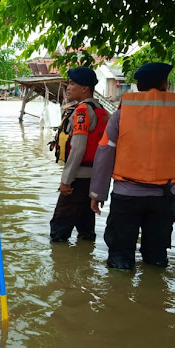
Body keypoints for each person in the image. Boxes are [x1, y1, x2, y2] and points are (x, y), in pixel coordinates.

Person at [89, 62, 175, 270]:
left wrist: (97, 193)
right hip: (164, 198)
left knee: (120, 258)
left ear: (138, 87)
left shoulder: (120, 117)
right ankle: (156, 297)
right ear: (165, 84)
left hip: (126, 198)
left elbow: (104, 154)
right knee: (156, 258)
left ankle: (117, 297)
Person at [49, 67, 109, 242]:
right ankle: (85, 264)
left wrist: (66, 181)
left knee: (59, 230)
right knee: (86, 229)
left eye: (72, 83)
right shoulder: (101, 110)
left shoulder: (82, 111)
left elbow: (78, 148)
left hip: (78, 179)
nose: (68, 87)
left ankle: (60, 266)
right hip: (93, 179)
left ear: (85, 88)